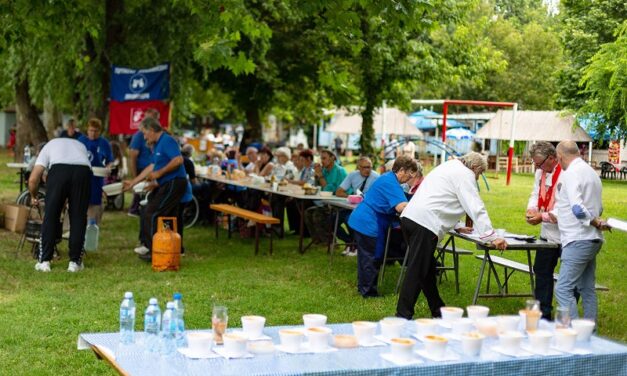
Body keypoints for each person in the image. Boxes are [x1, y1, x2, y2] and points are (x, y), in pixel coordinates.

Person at [397, 152, 508, 319]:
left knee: (426, 269)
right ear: (475, 168)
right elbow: (475, 206)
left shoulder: (450, 167)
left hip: (410, 218)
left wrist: (456, 225)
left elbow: (440, 198)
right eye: (480, 174)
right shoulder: (466, 174)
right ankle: (402, 316)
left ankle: (438, 310)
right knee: (417, 271)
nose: (478, 178)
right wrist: (492, 236)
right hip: (425, 224)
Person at [553, 141, 610, 322]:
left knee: (563, 289)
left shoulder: (570, 174)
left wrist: (594, 222)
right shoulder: (592, 173)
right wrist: (596, 221)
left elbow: (577, 209)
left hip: (577, 239)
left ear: (560, 157)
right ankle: (590, 334)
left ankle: (574, 334)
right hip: (593, 241)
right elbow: (598, 208)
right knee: (587, 288)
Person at [347, 156, 418, 297]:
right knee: (371, 257)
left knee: (366, 257)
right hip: (369, 222)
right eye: (410, 174)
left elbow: (403, 197)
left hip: (363, 220)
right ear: (402, 170)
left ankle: (363, 287)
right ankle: (368, 292)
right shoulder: (390, 182)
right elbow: (400, 206)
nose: (410, 178)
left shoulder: (388, 178)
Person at [123, 117, 188, 262]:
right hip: (166, 183)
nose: (144, 137)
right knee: (146, 210)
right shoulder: (158, 144)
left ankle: (155, 251)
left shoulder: (167, 140)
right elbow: (151, 167)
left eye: (145, 133)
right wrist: (133, 182)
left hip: (175, 183)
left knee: (152, 212)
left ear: (152, 130)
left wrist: (159, 174)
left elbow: (178, 160)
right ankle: (155, 246)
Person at [29, 138, 91, 272]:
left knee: (50, 216)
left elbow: (33, 179)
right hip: (83, 171)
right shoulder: (80, 145)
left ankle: (44, 261)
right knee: (78, 218)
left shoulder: (47, 147)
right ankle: (75, 263)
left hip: (59, 171)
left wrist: (34, 196)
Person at [525, 141, 564, 320]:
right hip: (546, 233)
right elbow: (535, 194)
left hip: (565, 234)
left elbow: (565, 208)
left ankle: (567, 315)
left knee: (568, 278)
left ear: (552, 158)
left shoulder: (565, 174)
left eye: (539, 163)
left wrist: (543, 216)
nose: (537, 167)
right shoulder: (540, 172)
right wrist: (532, 209)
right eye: (535, 163)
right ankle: (543, 313)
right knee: (541, 269)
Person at [335, 156, 379, 256]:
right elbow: (339, 192)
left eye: (369, 167)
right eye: (364, 167)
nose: (367, 170)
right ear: (358, 167)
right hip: (353, 206)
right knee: (332, 220)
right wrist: (352, 197)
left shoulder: (376, 177)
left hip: (367, 209)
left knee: (349, 219)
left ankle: (355, 245)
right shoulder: (353, 175)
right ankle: (350, 242)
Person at [304, 150, 347, 243]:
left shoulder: (339, 171)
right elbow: (315, 186)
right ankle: (318, 239)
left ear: (332, 158)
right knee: (308, 212)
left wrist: (320, 175)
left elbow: (329, 190)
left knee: (317, 214)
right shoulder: (324, 170)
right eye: (321, 158)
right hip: (326, 202)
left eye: (324, 158)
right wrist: (315, 176)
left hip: (339, 203)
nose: (322, 161)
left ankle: (329, 241)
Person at [78, 118, 113, 225]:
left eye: (95, 131)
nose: (93, 133)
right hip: (82, 177)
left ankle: (93, 225)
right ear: (87, 130)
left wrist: (108, 168)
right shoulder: (81, 141)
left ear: (100, 131)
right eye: (91, 130)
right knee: (81, 201)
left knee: (95, 204)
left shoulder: (104, 143)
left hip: (97, 178)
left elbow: (109, 161)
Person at [128, 108, 159, 216]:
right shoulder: (138, 135)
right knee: (140, 190)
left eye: (153, 118)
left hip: (154, 168)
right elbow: (132, 156)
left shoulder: (160, 136)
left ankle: (141, 209)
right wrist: (134, 175)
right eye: (147, 118)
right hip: (143, 168)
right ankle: (134, 209)